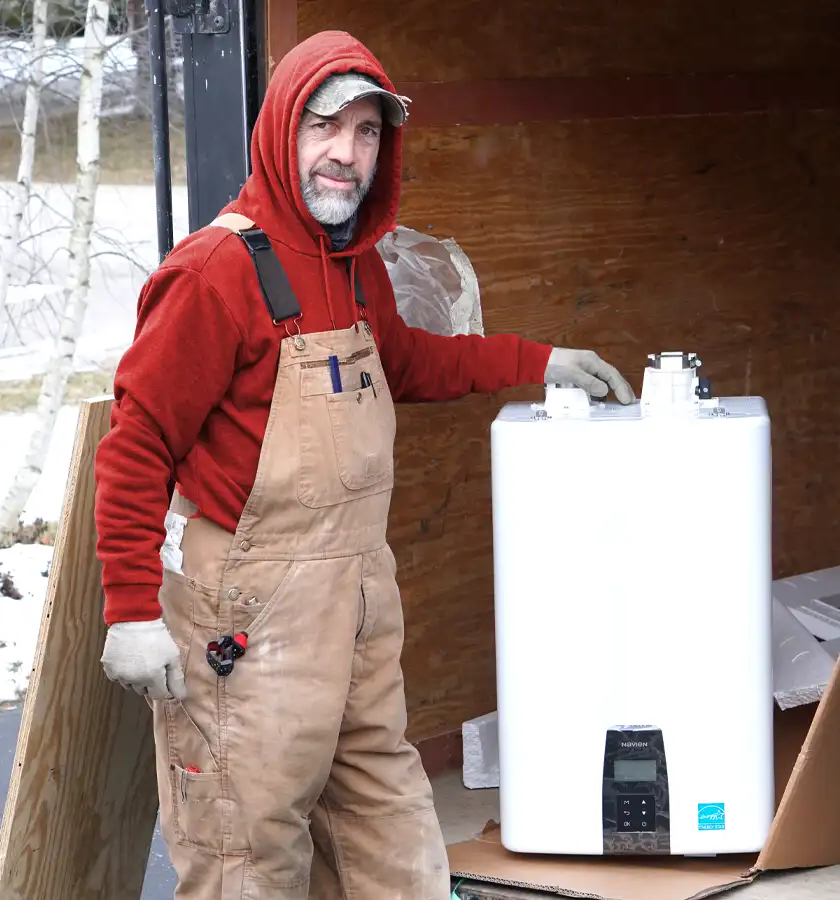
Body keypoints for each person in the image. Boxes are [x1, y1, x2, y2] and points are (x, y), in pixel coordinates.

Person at [94, 29, 634, 900]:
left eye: (368, 132)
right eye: (324, 126)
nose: (346, 154)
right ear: (280, 131)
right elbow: (135, 445)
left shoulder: (352, 266)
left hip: (353, 606)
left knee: (390, 840)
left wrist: (537, 361)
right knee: (247, 856)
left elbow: (409, 362)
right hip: (249, 615)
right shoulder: (213, 274)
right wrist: (128, 610)